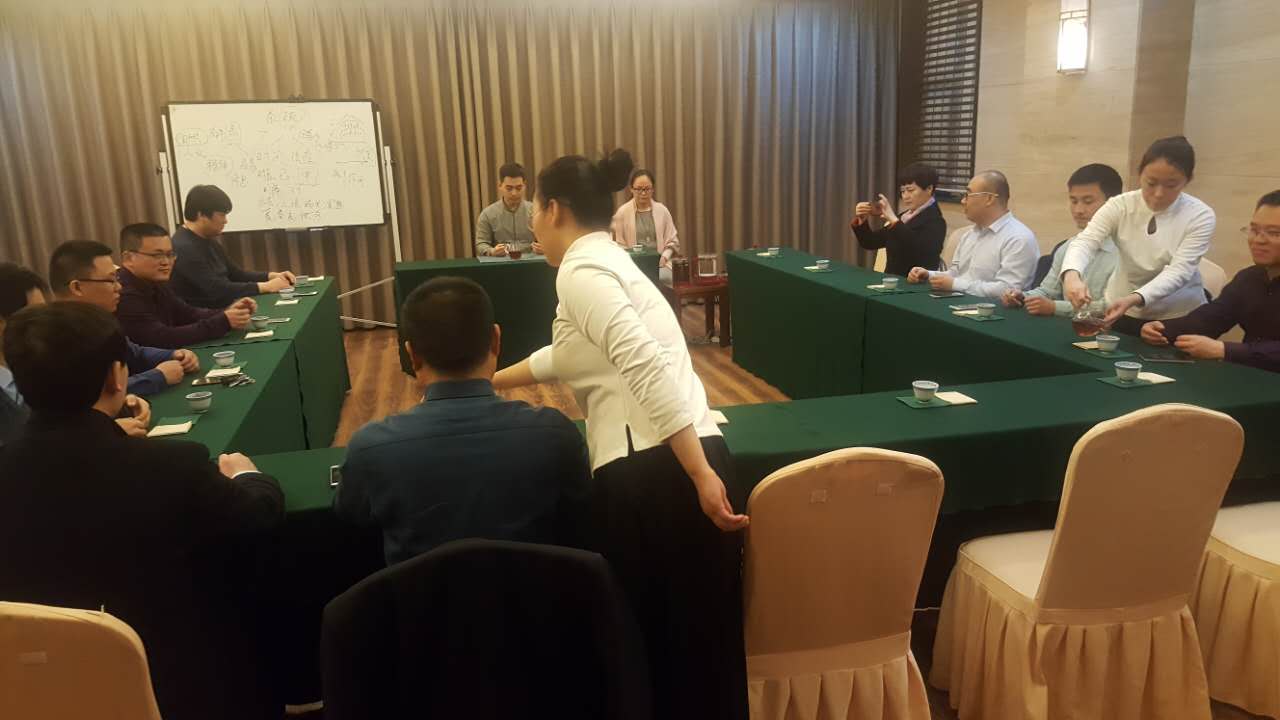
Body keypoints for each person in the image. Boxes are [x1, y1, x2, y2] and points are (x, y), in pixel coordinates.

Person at [493, 148, 748, 720]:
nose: (532, 225)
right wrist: (492, 379)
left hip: (656, 473)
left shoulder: (581, 271)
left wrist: (699, 475)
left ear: (554, 209)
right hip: (682, 458)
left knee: (655, 653)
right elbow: (568, 354)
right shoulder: (608, 261)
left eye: (535, 210)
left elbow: (641, 362)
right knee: (699, 650)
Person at [0, 301, 285, 720]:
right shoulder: (172, 465)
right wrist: (246, 476)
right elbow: (256, 517)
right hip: (176, 682)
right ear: (117, 377)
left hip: (35, 686)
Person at [334, 276, 591, 566]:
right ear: (496, 340)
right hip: (536, 594)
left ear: (412, 355)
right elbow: (580, 511)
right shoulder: (555, 434)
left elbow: (350, 517)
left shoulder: (369, 449)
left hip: (419, 596)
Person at [1063, 136, 1216, 335]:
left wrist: (1134, 298)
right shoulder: (1121, 205)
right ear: (1139, 174)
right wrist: (1072, 275)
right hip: (1120, 308)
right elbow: (1086, 241)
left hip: (1177, 314)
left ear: (1187, 181)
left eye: (1171, 185)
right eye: (1151, 183)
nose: (1159, 193)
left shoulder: (1200, 215)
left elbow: (1179, 271)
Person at [1, 262, 152, 441]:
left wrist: (122, 406)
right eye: (33, 315)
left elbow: (67, 413)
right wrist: (104, 432)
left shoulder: (43, 359)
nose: (44, 322)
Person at [1140, 191, 1280, 371]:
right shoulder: (1249, 278)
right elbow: (1212, 318)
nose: (1259, 240)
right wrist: (1163, 329)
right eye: (1254, 230)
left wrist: (1224, 350)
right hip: (1250, 375)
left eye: (1274, 233)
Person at [48, 240, 199, 396]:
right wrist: (158, 377)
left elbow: (134, 353)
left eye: (117, 279)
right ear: (77, 287)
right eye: (110, 280)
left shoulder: (97, 321)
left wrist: (173, 355)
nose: (119, 287)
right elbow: (90, 395)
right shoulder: (54, 335)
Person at [1002, 164, 1124, 316]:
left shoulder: (1126, 251)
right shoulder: (1068, 246)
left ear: (1113, 204)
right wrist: (1021, 297)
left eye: (1087, 201)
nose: (1078, 210)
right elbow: (1048, 291)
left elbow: (1112, 306)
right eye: (1074, 201)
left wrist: (1055, 307)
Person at [117, 222, 255, 348]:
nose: (166, 262)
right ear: (128, 258)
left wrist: (228, 311)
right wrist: (223, 322)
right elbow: (160, 337)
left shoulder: (156, 282)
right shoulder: (122, 292)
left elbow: (188, 314)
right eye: (157, 255)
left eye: (170, 254)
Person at [907, 170, 1039, 298]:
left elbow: (1007, 290)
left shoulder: (1018, 238)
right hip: (960, 302)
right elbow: (956, 273)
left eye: (968, 195)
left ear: (989, 199)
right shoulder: (970, 234)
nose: (963, 201)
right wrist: (928, 275)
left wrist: (955, 285)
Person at [170, 184, 296, 308]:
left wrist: (271, 276)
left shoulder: (208, 240)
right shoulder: (183, 247)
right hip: (206, 316)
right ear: (201, 215)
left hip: (224, 310)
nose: (225, 221)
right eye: (222, 215)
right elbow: (216, 289)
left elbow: (236, 275)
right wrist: (266, 286)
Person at [851, 162, 947, 276]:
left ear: (929, 189)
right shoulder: (905, 217)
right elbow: (870, 242)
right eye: (902, 191)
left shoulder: (936, 221)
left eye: (910, 190)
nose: (905, 196)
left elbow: (919, 253)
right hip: (891, 280)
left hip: (916, 283)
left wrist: (894, 220)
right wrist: (862, 220)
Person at [611, 168, 681, 282]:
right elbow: (617, 245)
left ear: (653, 189)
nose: (643, 193)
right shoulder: (622, 213)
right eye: (639, 189)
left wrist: (664, 257)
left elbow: (672, 242)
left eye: (647, 189)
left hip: (660, 265)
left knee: (669, 282)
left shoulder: (662, 211)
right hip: (633, 267)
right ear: (631, 189)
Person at [475, 163, 539, 257]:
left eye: (518, 188)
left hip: (531, 260)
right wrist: (492, 251)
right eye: (509, 188)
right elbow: (481, 243)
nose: (514, 193)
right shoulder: (487, 214)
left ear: (524, 186)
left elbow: (548, 239)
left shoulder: (537, 211)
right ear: (500, 186)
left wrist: (544, 248)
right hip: (500, 261)